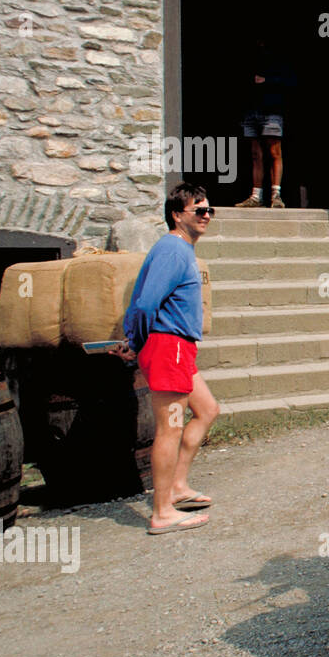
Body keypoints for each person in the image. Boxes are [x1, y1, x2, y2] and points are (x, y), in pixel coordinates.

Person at [122, 182, 219, 535]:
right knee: (170, 428)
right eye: (199, 210)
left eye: (209, 210)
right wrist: (135, 340)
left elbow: (139, 300)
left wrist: (133, 339)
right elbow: (146, 303)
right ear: (178, 215)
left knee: (207, 410)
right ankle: (162, 511)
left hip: (179, 349)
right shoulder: (173, 249)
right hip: (169, 347)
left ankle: (177, 486)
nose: (206, 216)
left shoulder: (177, 250)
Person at [235, 39, 295, 209]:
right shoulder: (250, 60)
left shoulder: (280, 60)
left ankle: (276, 196)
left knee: (274, 152)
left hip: (272, 111)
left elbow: (291, 81)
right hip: (251, 111)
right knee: (256, 155)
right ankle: (256, 196)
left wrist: (267, 80)